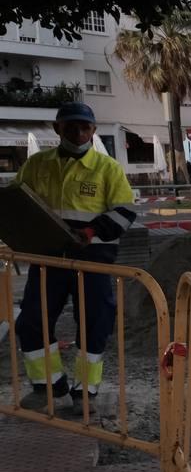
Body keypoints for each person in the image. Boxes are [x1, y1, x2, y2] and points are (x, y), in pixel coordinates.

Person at [15, 101, 137, 412]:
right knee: (32, 321)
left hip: (92, 259)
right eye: (71, 126)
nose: (79, 133)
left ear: (94, 131)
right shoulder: (37, 165)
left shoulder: (108, 168)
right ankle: (49, 389)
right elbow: (17, 205)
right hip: (48, 260)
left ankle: (86, 393)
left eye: (85, 127)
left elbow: (125, 212)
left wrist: (91, 232)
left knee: (95, 323)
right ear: (58, 129)